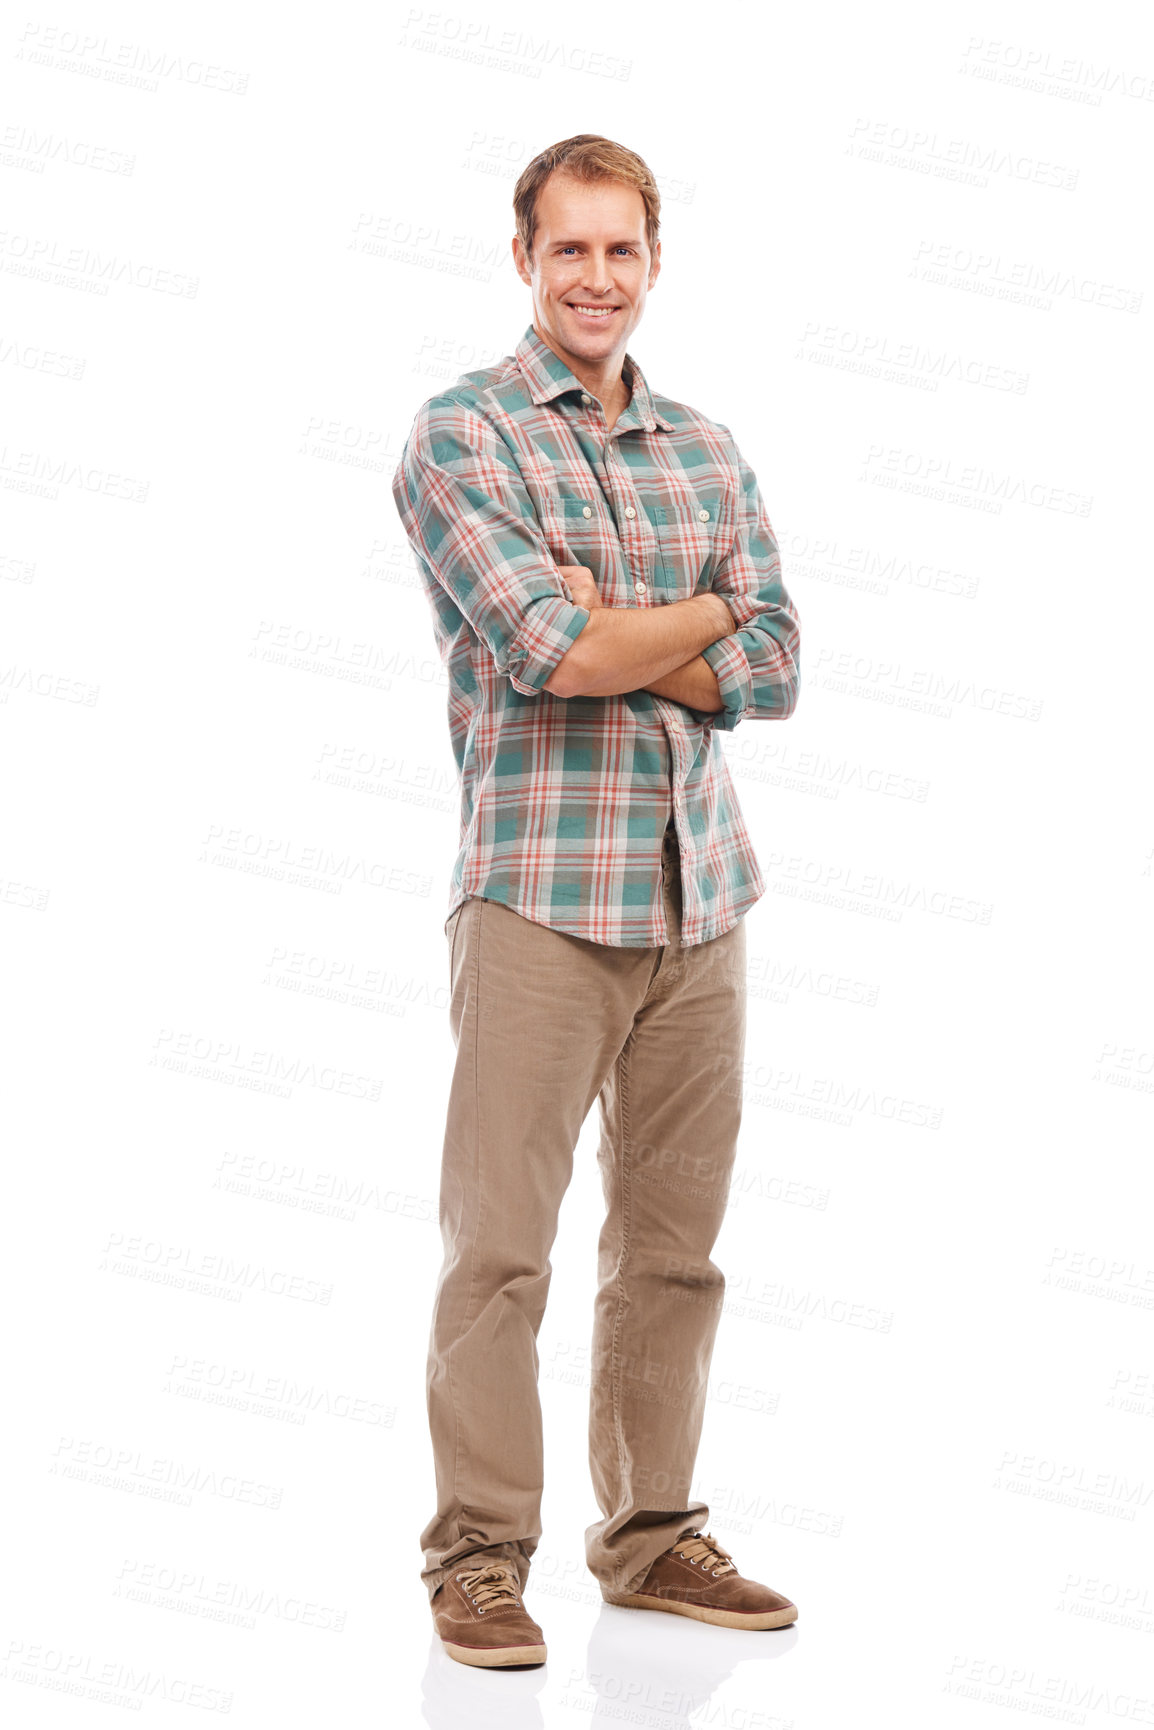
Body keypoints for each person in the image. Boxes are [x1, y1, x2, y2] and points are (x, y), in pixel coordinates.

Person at [392, 133, 803, 1670]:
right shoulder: (460, 437)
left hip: (703, 901)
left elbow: (777, 665)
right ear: (523, 260)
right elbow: (543, 652)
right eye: (567, 249)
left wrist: (642, 626)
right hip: (536, 906)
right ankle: (480, 1558)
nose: (594, 277)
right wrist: (694, 616)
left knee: (674, 1251)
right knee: (498, 1250)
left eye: (619, 250)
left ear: (651, 261)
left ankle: (648, 1536)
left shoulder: (707, 448)